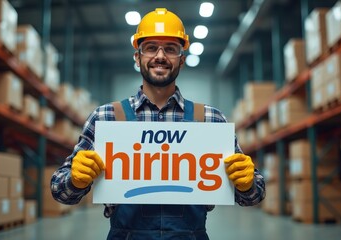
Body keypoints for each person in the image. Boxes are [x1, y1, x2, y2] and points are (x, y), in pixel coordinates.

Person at [51, 8, 266, 240]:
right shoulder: (106, 118)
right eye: (151, 47)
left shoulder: (210, 120)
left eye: (171, 49)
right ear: (137, 57)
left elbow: (254, 195)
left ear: (181, 60)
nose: (160, 56)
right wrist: (74, 179)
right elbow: (60, 192)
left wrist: (247, 184)